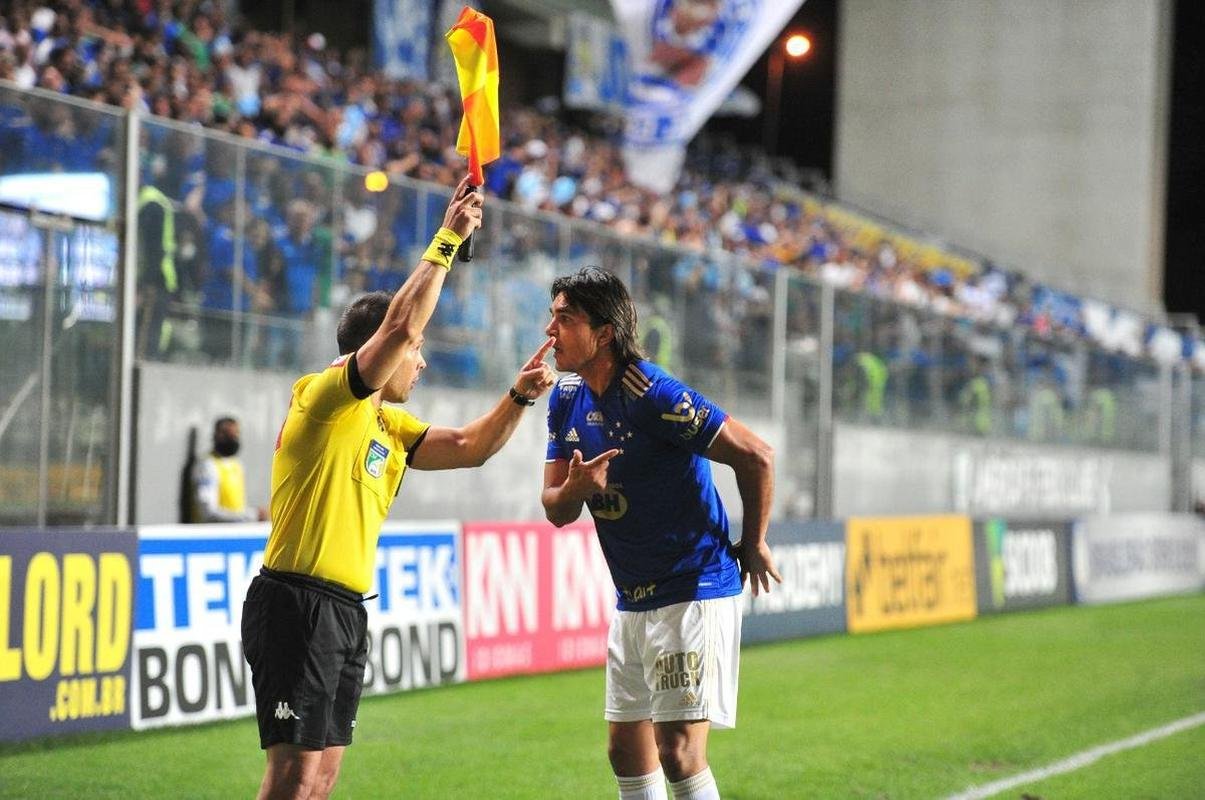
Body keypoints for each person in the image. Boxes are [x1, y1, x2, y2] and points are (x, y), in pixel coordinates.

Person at [241, 174, 556, 800]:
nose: (423, 361)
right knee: (292, 777)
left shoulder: (390, 422)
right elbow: (402, 331)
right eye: (416, 351)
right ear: (379, 348)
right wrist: (448, 240)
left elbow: (471, 448)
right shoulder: (323, 396)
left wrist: (519, 397)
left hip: (346, 611)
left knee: (323, 777)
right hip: (295, 605)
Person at [540, 267, 781, 800]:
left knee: (678, 752)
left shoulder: (653, 395)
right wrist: (578, 488)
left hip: (692, 589)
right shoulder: (565, 398)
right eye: (552, 316)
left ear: (603, 334)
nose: (550, 330)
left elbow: (757, 457)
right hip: (632, 599)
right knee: (625, 752)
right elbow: (556, 509)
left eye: (565, 318)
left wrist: (755, 540)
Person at [188, 416, 267, 522]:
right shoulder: (207, 465)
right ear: (217, 435)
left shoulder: (236, 465)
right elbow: (209, 512)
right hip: (213, 535)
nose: (233, 438)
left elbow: (237, 507)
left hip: (234, 533)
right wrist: (252, 516)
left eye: (236, 434)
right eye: (228, 435)